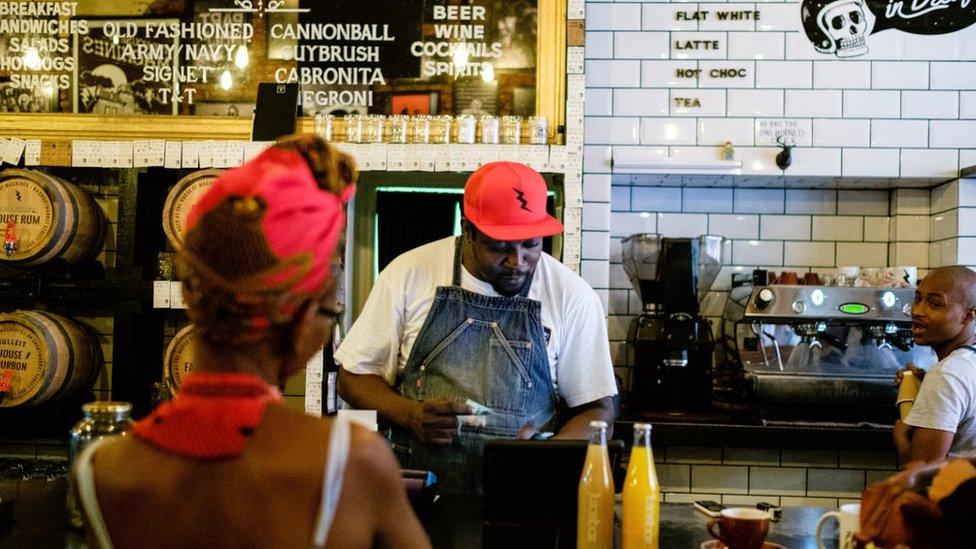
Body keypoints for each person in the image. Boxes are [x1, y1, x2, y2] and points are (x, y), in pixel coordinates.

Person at [71, 135, 430, 549]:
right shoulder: (347, 462)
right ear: (298, 320)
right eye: (331, 314)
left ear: (193, 295)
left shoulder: (100, 471)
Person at [336, 161, 617, 495]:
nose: (517, 262)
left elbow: (599, 410)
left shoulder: (572, 296)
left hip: (522, 497)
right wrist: (410, 414)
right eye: (499, 247)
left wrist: (545, 456)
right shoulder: (409, 274)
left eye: (530, 244)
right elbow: (352, 378)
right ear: (467, 229)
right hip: (416, 495)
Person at [894, 265, 976, 465]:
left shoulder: (946, 375)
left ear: (967, 316)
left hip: (956, 495)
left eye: (934, 304)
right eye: (917, 299)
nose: (918, 311)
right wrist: (925, 386)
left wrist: (901, 436)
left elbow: (920, 474)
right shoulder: (963, 365)